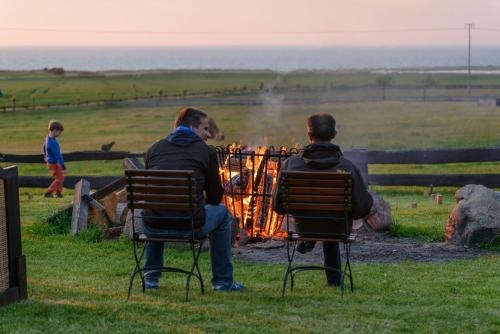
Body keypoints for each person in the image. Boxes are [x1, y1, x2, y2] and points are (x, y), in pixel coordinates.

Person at [141, 107, 243, 292]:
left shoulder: (154, 149)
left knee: (158, 208)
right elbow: (215, 198)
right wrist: (201, 198)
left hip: (152, 223)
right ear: (192, 126)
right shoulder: (205, 151)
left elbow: (154, 191)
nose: (208, 134)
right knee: (222, 213)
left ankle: (150, 278)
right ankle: (222, 282)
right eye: (205, 129)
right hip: (189, 224)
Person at [272, 113, 373, 286]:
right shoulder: (347, 166)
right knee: (332, 220)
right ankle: (334, 280)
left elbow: (278, 206)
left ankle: (308, 241)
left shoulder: (290, 164)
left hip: (303, 227)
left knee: (319, 218)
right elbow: (361, 208)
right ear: (334, 134)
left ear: (309, 135)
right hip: (338, 228)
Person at [43, 120, 66, 198]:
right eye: (59, 132)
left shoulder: (48, 138)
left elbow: (44, 147)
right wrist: (63, 166)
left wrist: (45, 156)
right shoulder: (53, 143)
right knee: (59, 178)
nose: (60, 134)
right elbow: (58, 155)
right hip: (53, 163)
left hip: (51, 162)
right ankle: (48, 192)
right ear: (54, 130)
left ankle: (58, 193)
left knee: (60, 177)